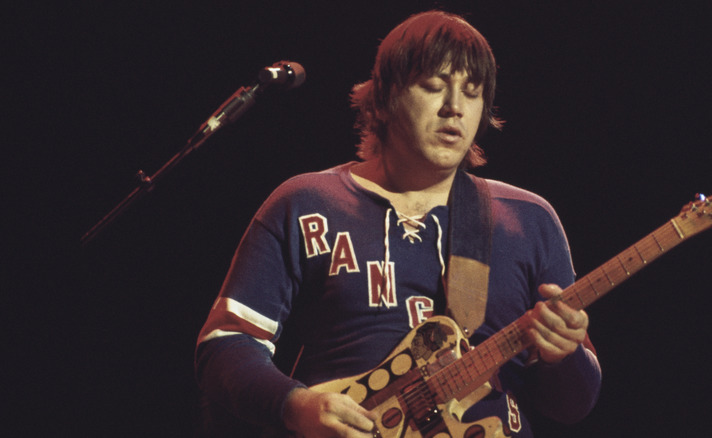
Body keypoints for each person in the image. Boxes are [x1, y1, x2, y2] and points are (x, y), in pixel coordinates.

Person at [195, 10, 601, 438]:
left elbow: (574, 405)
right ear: (385, 98)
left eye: (472, 92)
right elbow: (223, 346)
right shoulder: (305, 202)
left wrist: (565, 354)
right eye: (433, 86)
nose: (455, 108)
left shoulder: (529, 219)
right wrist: (296, 405)